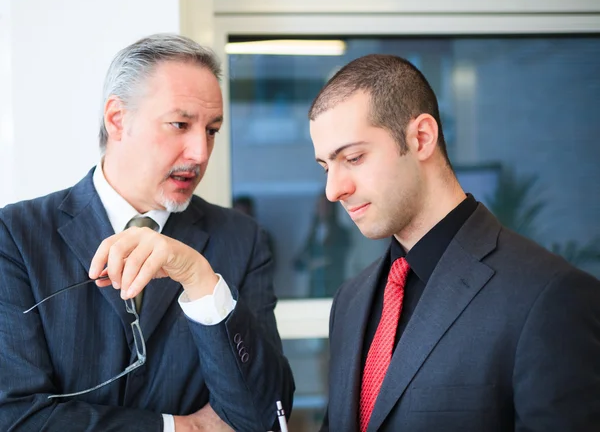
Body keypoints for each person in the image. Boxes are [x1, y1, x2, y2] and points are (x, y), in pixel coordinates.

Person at [0, 34, 294, 432]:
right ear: (118, 119)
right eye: (180, 124)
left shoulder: (242, 240)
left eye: (211, 130)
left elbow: (266, 417)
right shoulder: (16, 236)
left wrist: (198, 279)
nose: (200, 153)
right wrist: (183, 428)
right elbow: (14, 417)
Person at [308, 54, 600, 431]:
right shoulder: (351, 300)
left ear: (421, 138)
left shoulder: (549, 297)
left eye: (353, 157)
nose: (333, 190)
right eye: (325, 167)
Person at [293, 193, 350, 297]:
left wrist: (321, 261)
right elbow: (298, 262)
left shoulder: (341, 232)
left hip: (334, 286)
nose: (323, 209)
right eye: (320, 206)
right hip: (315, 288)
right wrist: (309, 264)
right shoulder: (312, 234)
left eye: (326, 206)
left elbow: (343, 257)